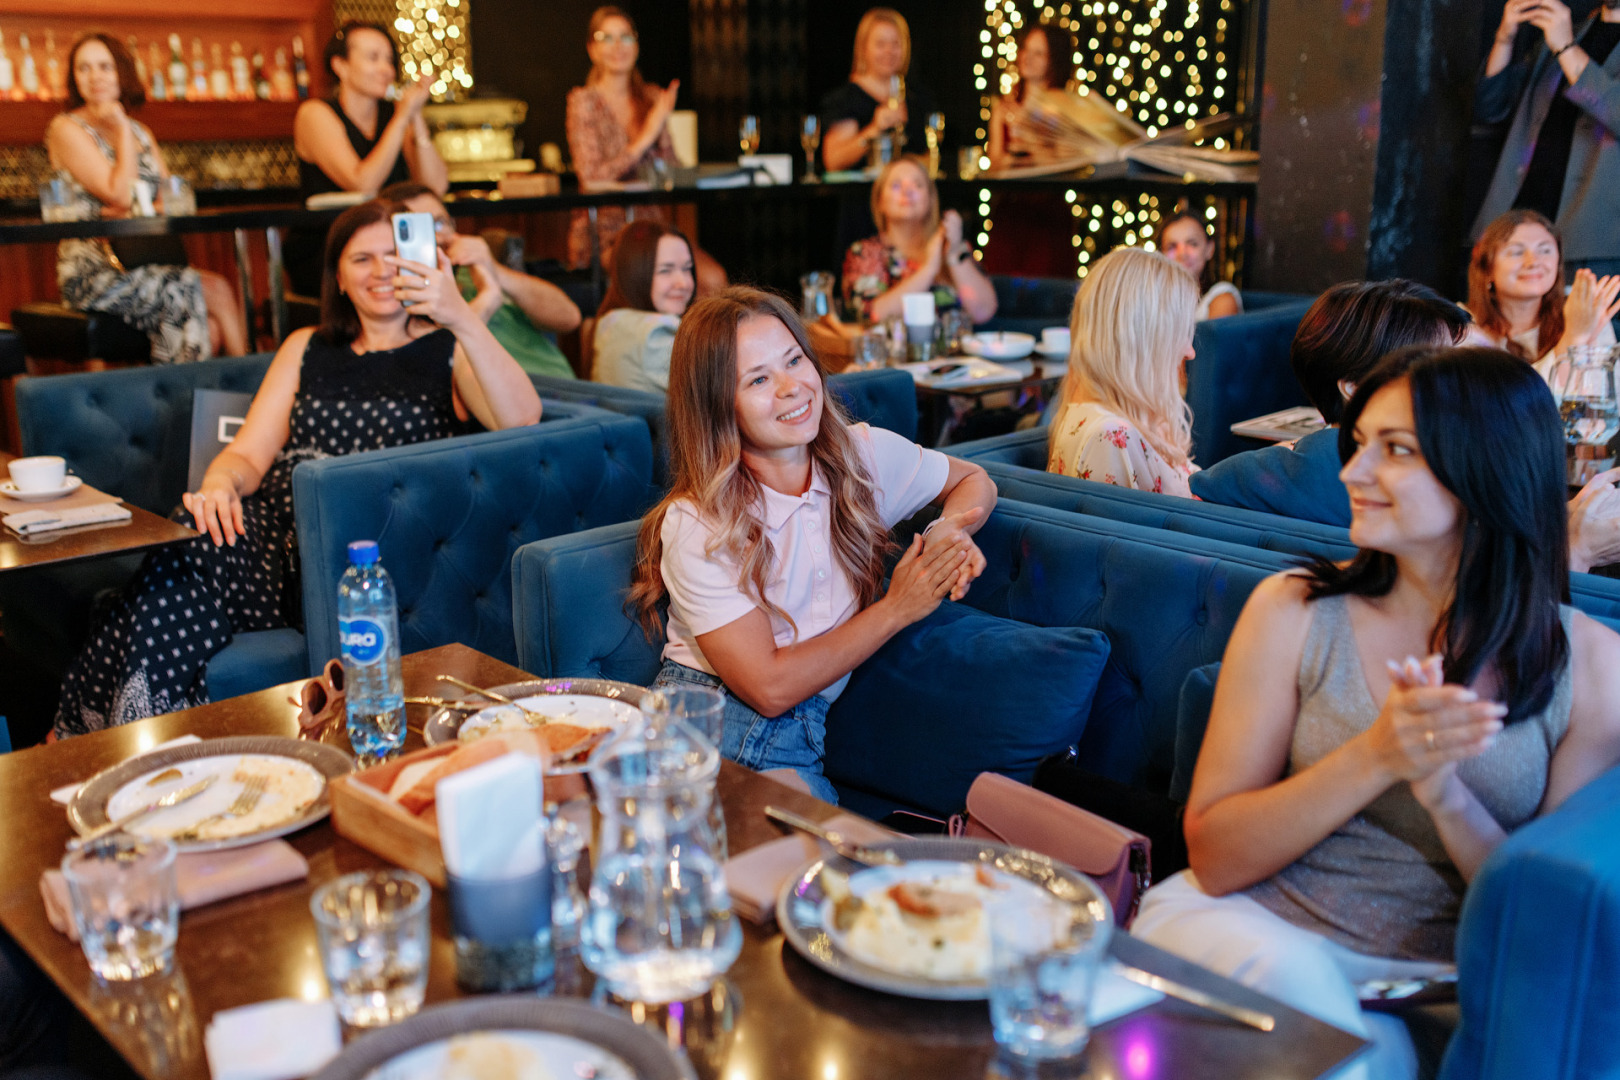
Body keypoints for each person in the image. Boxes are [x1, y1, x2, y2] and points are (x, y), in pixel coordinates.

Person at [1133, 345, 1620, 1080]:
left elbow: (1539, 918)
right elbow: (1216, 855)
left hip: (1423, 990)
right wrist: (1377, 754)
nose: (1353, 473)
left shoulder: (1588, 666)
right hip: (1246, 934)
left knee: (1367, 1057)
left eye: (1394, 450)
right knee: (1329, 1039)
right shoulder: (1297, 609)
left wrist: (1447, 794)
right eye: (1358, 446)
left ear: (1485, 468)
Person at [53, 200, 541, 737]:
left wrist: (460, 314)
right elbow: (248, 456)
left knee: (152, 584)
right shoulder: (306, 345)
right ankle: (145, 737)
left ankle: (96, 733)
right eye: (362, 259)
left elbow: (522, 419)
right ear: (338, 275)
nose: (380, 272)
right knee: (186, 544)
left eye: (393, 255)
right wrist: (218, 484)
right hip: (268, 539)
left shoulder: (450, 349)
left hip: (356, 560)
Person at [629, 287, 997, 801]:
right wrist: (897, 608)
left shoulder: (859, 457)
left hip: (798, 735)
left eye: (794, 360)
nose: (791, 388)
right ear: (718, 406)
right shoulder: (697, 520)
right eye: (758, 379)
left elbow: (975, 480)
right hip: (703, 724)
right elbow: (769, 689)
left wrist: (947, 531)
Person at [1192, 280, 1470, 525]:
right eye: (1431, 368)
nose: (1451, 383)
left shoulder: (1261, 472)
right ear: (1353, 387)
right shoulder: (1440, 480)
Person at [46, 33, 246, 363]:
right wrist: (121, 129)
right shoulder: (67, 128)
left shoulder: (141, 131)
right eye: (84, 68)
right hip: (96, 271)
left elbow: (173, 198)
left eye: (104, 67)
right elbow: (120, 194)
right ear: (74, 78)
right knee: (213, 291)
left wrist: (140, 206)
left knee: (211, 325)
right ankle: (250, 393)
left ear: (121, 73)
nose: (95, 76)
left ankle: (204, 406)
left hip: (148, 262)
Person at [566, 6, 726, 296]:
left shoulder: (652, 97)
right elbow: (591, 177)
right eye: (607, 38)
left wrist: (650, 159)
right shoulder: (583, 101)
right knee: (655, 279)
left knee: (713, 280)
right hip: (607, 234)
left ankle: (698, 343)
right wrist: (647, 134)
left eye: (626, 37)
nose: (618, 47)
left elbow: (670, 170)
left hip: (655, 226)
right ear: (592, 49)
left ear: (636, 45)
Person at [285, 21, 448, 296]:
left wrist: (416, 116)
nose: (387, 69)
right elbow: (361, 182)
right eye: (373, 58)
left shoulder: (396, 115)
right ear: (340, 66)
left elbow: (435, 187)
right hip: (329, 246)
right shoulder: (315, 113)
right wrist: (402, 117)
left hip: (391, 242)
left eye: (389, 60)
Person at [1471, 0, 1620, 280]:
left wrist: (1566, 49)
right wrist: (1505, 37)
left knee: (1586, 323)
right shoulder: (1568, 31)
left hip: (1593, 243)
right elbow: (1491, 108)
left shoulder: (1563, 38)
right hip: (1517, 226)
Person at [381, 180, 582, 381]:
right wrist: (486, 301)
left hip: (566, 387)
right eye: (422, 228)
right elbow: (439, 363)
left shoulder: (478, 271)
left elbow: (569, 318)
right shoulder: (400, 294)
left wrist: (494, 269)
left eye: (440, 222)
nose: (438, 235)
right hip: (504, 398)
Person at [1046, 247, 1197, 496]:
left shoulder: (1135, 413)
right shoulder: (1110, 435)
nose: (1189, 351)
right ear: (1143, 340)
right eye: (1178, 332)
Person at [1461, 209, 1618, 376]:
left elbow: (1605, 395)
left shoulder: (1582, 313)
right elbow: (1510, 400)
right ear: (1487, 268)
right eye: (1517, 252)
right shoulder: (1458, 326)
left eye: (1545, 250)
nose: (1533, 262)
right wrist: (1574, 338)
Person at [841, 156, 997, 324]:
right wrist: (929, 270)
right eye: (896, 185)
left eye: (917, 184)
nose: (907, 191)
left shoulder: (951, 246)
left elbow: (983, 312)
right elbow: (871, 316)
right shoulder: (866, 252)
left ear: (930, 199)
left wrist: (953, 255)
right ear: (880, 202)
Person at [819, 8, 938, 174]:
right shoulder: (846, 100)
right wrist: (875, 128)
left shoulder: (917, 98)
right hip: (862, 197)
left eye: (895, 43)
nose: (889, 51)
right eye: (880, 44)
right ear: (863, 48)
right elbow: (833, 161)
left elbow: (930, 158)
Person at [592, 220, 693, 392]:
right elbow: (720, 391)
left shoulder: (611, 320)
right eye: (665, 271)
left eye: (687, 268)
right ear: (634, 273)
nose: (683, 283)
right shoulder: (656, 333)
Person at [986, 22, 1074, 170]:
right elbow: (993, 165)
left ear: (1054, 60)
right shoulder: (1004, 108)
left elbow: (1065, 168)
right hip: (1008, 191)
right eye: (1025, 49)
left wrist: (1029, 137)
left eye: (1038, 53)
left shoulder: (1064, 109)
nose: (1027, 57)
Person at [1158, 211, 1241, 321]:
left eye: (1192, 243)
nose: (1182, 254)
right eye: (1171, 246)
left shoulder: (1222, 297)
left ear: (1209, 249)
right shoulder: (1155, 300)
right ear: (1160, 254)